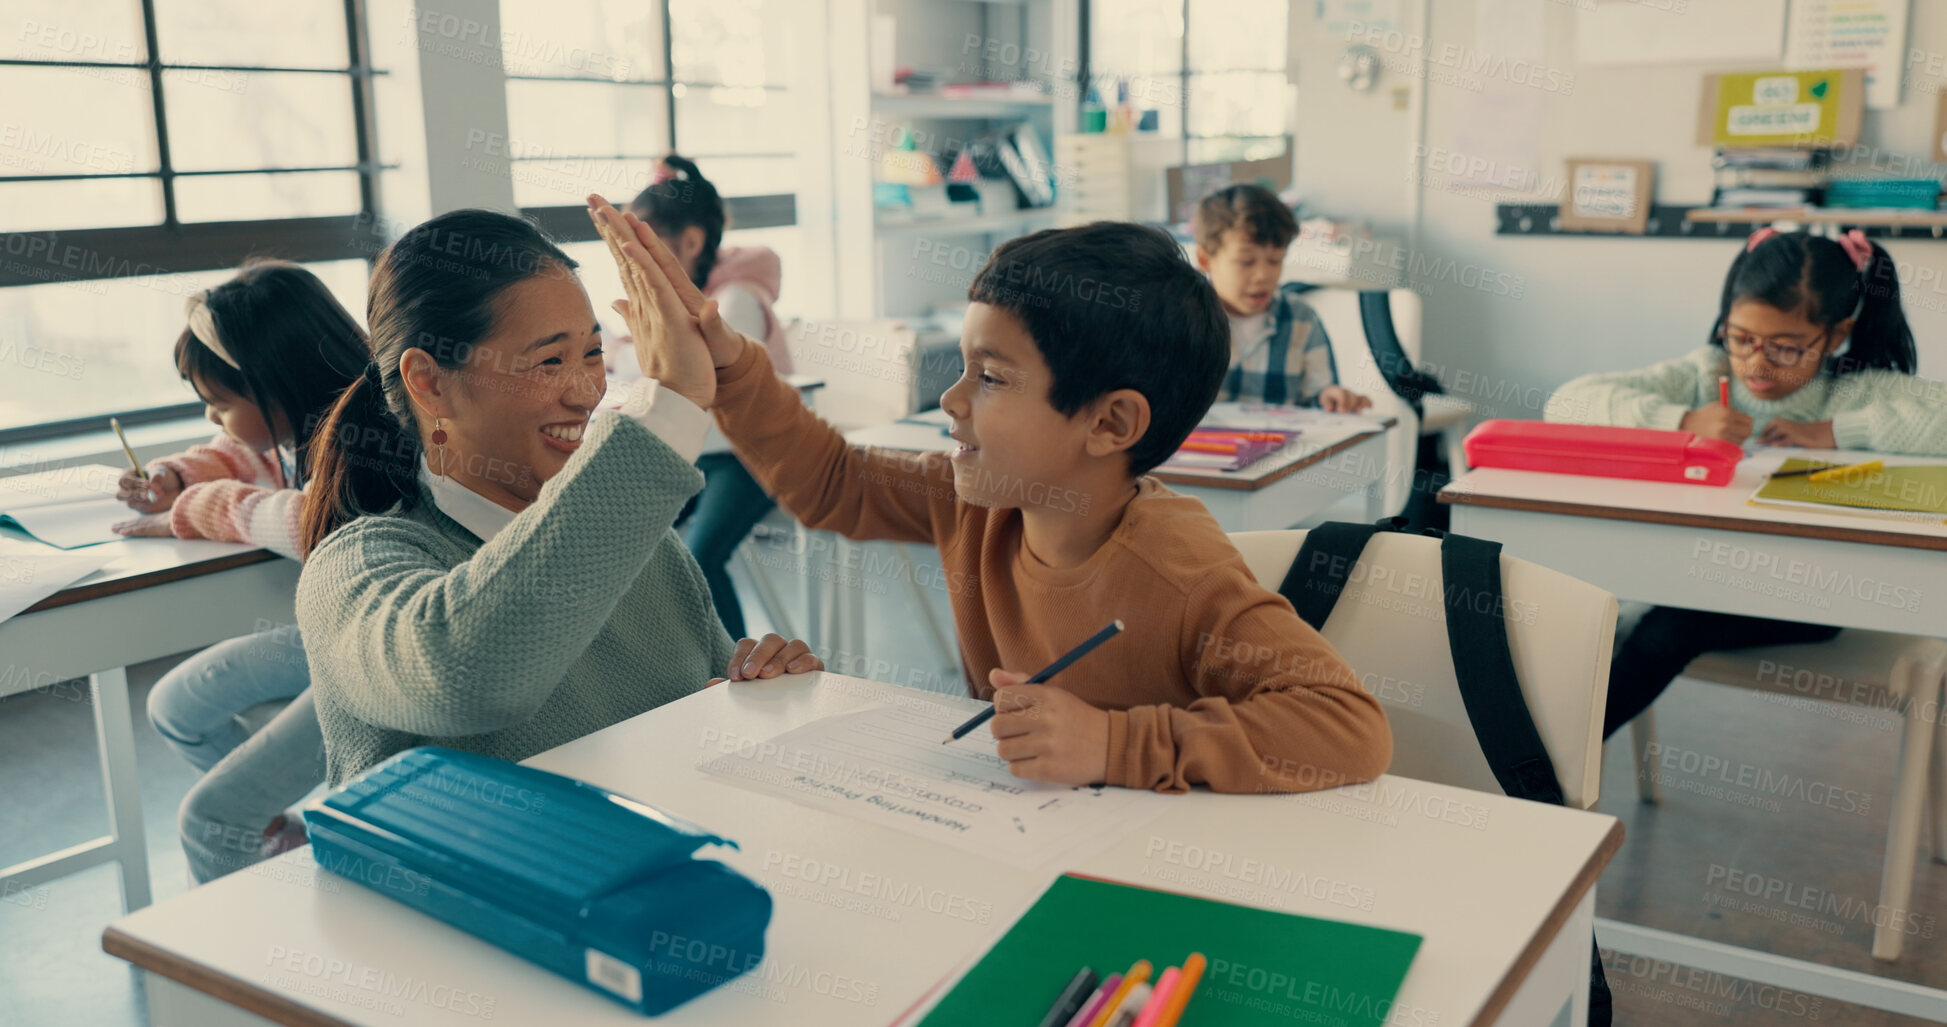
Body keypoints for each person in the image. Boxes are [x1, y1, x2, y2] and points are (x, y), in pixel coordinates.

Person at [591, 197, 1390, 795]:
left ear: (1110, 421)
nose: (952, 401)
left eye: (992, 377)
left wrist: (1117, 745)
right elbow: (833, 483)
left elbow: (1349, 726)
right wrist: (727, 361)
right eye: (965, 368)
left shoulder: (1180, 569)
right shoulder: (976, 500)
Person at [295, 209, 822, 786]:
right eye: (550, 361)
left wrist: (764, 686)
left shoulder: (642, 546)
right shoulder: (352, 570)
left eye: (593, 354)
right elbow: (466, 676)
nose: (586, 393)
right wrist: (670, 402)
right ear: (430, 381)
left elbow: (715, 700)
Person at [1545, 227, 1947, 737]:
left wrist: (1838, 431)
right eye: (1741, 339)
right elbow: (1567, 403)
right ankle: (1549, 757)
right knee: (1597, 611)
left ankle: (1550, 759)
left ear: (1835, 336)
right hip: (1699, 572)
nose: (1756, 362)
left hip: (1812, 598)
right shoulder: (1703, 373)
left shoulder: (1851, 393)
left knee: (1670, 625)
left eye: (1785, 347)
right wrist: (1683, 420)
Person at [114, 261, 365, 882]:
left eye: (219, 403)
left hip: (373, 654)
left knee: (208, 819)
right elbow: (243, 453)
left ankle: (259, 967)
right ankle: (290, 836)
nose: (211, 418)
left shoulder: (373, 432)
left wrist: (197, 506)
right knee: (175, 706)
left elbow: (320, 523)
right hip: (333, 632)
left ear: (277, 386)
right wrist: (179, 477)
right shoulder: (304, 423)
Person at [606, 155, 795, 638]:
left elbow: (690, 382)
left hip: (749, 455)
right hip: (698, 453)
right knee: (638, 546)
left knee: (700, 559)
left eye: (647, 245)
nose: (637, 259)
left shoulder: (734, 302)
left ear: (690, 241)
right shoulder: (682, 296)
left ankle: (733, 668)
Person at [1192, 184, 1369, 412]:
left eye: (1275, 260)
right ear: (1205, 260)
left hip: (1282, 447)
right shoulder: (1186, 318)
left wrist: (1331, 398)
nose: (1263, 275)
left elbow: (1318, 400)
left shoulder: (1303, 320)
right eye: (1246, 262)